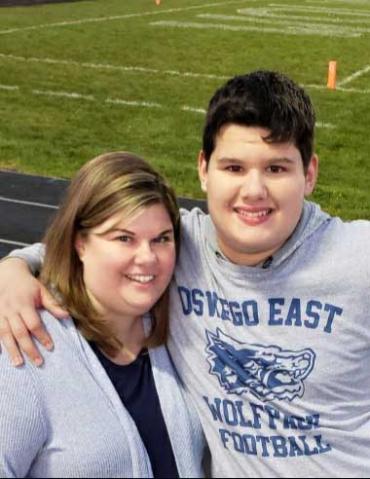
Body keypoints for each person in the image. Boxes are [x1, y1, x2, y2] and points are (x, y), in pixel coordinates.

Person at [1, 70, 370, 477]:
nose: (253, 191)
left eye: (277, 169)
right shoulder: (179, 244)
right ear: (203, 169)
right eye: (233, 167)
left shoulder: (356, 259)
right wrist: (14, 268)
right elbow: (97, 238)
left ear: (310, 174)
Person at [0, 151, 207, 478]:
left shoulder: (181, 326)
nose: (147, 257)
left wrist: (14, 264)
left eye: (161, 239)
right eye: (124, 238)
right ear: (80, 243)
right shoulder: (23, 348)